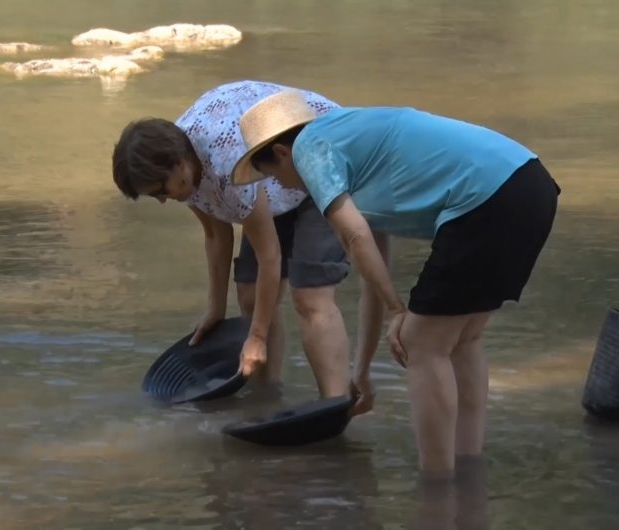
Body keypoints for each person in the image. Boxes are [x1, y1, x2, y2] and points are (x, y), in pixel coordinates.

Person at [231, 90, 560, 476]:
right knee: (461, 340)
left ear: (283, 153)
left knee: (421, 343)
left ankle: (436, 492)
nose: (285, 188)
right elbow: (372, 266)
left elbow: (354, 239)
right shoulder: (350, 144)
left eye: (275, 177)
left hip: (485, 199)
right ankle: (468, 476)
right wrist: (362, 372)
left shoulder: (309, 147)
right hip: (529, 186)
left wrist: (397, 313)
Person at [111, 80, 354, 398]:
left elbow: (270, 256)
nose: (161, 200)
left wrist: (256, 337)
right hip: (273, 186)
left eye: (160, 191)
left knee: (310, 296)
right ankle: (266, 395)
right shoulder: (182, 168)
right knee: (251, 297)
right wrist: (215, 309)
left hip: (321, 158)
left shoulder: (226, 163)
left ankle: (336, 405)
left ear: (179, 163)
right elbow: (215, 234)